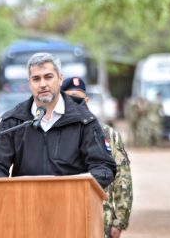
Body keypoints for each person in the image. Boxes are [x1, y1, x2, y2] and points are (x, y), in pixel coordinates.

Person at [0, 52, 116, 189]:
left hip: (72, 204)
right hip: (24, 204)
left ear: (60, 79)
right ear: (29, 83)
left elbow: (103, 167)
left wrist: (79, 186)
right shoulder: (14, 120)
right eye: (36, 79)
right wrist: (5, 190)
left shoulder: (84, 120)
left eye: (48, 77)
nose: (42, 84)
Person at [61, 77, 133, 238]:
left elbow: (122, 178)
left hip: (101, 218)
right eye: (69, 98)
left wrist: (119, 220)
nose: (73, 102)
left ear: (86, 100)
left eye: (78, 98)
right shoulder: (54, 133)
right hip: (64, 217)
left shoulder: (107, 133)